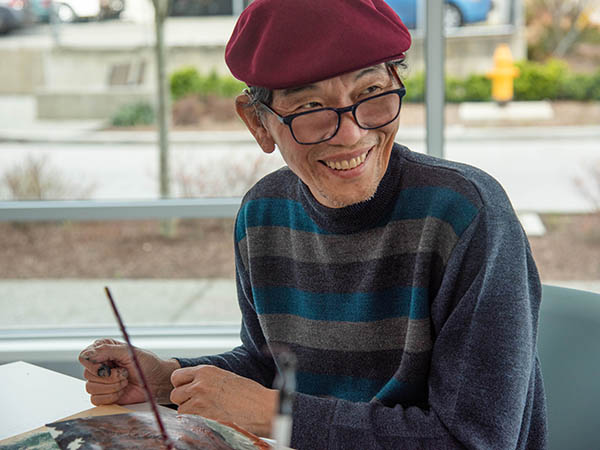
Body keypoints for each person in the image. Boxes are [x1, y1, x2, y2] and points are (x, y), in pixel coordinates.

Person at [79, 0, 548, 448]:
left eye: (370, 94)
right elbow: (274, 368)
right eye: (309, 109)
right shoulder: (262, 214)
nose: (352, 134)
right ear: (258, 124)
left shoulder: (467, 216)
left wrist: (277, 414)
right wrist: (168, 378)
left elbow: (475, 441)